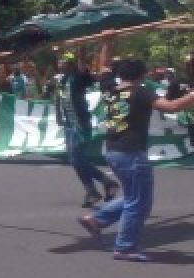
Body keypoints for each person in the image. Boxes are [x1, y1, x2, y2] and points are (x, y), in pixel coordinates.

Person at [79, 58, 194, 261]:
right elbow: (172, 107)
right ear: (141, 75)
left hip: (114, 151)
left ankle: (96, 220)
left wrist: (106, 41)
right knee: (139, 202)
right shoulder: (140, 91)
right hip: (131, 153)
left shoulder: (110, 89)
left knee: (135, 198)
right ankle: (124, 247)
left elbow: (104, 68)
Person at [55, 51, 119, 208]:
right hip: (69, 124)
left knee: (77, 158)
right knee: (74, 160)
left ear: (71, 64)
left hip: (80, 124)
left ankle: (107, 182)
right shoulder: (61, 80)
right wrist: (58, 115)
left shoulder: (78, 78)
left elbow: (87, 76)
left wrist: (81, 56)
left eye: (63, 61)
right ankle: (91, 191)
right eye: (59, 61)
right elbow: (58, 98)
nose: (60, 64)